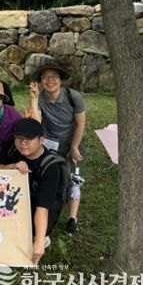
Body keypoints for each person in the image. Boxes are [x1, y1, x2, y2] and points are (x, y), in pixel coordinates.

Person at [0, 118, 64, 264]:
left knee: (34, 238)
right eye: (19, 138)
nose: (22, 143)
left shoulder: (50, 167)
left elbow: (43, 208)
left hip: (39, 205)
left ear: (41, 140)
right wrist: (12, 166)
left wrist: (39, 241)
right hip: (15, 201)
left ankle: (42, 236)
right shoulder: (12, 148)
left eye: (28, 139)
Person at [29, 60, 86, 234]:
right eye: (45, 77)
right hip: (50, 143)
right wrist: (34, 99)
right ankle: (48, 209)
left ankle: (72, 218)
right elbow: (36, 124)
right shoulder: (40, 98)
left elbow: (80, 124)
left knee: (75, 179)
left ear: (60, 80)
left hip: (73, 140)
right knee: (55, 177)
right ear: (41, 81)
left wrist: (74, 146)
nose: (50, 81)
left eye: (54, 77)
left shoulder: (73, 97)